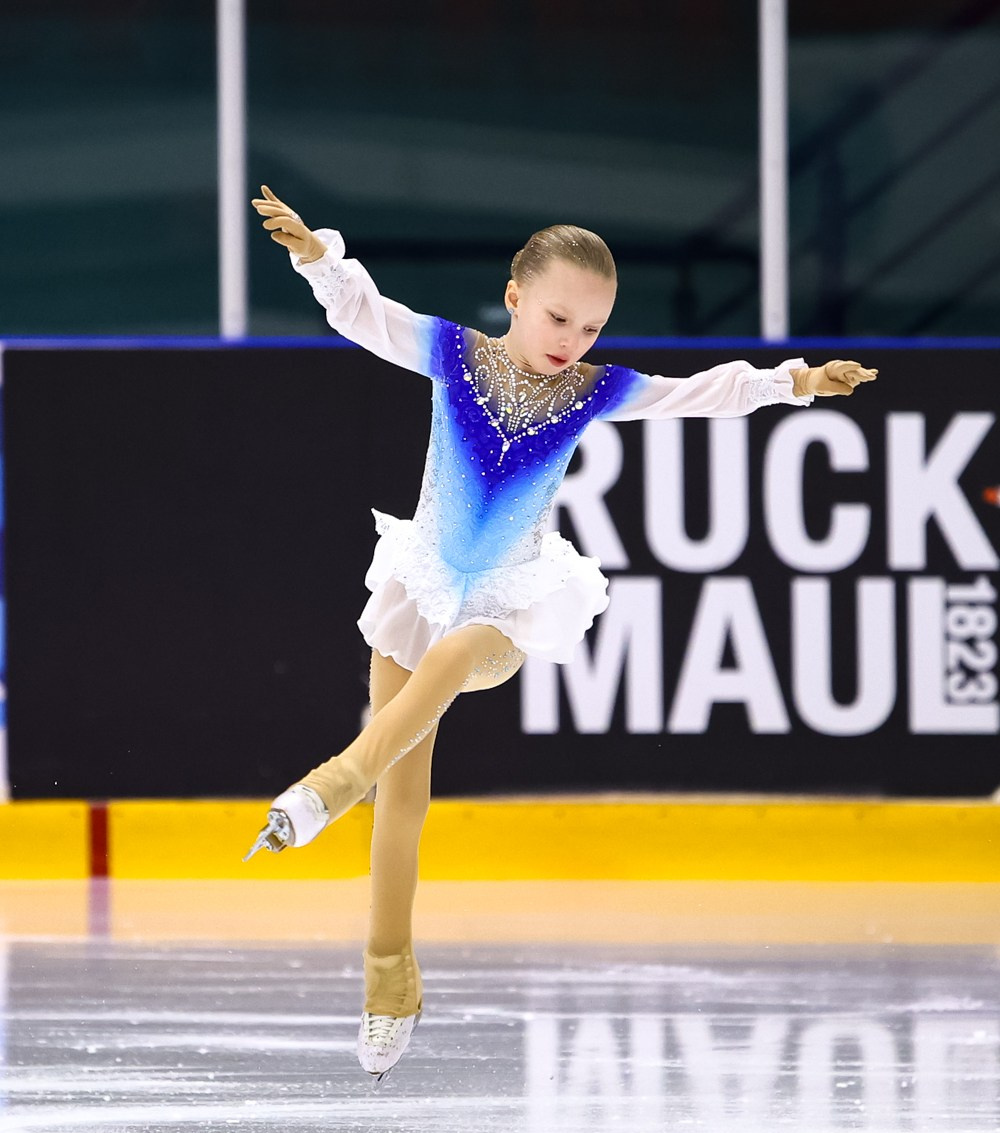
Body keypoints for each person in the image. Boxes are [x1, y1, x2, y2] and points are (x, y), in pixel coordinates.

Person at [245, 183, 878, 1081]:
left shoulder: (594, 391)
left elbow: (697, 394)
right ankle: (389, 977)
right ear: (513, 296)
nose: (570, 342)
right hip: (419, 583)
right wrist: (318, 256)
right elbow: (366, 315)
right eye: (557, 318)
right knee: (407, 800)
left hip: (509, 600)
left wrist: (798, 382)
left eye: (589, 328)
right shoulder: (453, 354)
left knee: (456, 662)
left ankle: (334, 778)